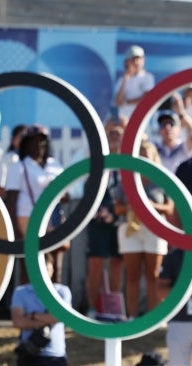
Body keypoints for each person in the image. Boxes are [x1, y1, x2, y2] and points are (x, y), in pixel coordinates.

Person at [115, 139, 171, 319]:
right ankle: (131, 316)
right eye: (140, 156)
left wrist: (148, 206)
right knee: (132, 275)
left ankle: (154, 317)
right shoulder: (126, 178)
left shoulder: (161, 179)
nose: (144, 160)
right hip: (130, 228)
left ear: (154, 157)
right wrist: (133, 207)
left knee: (153, 275)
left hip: (155, 230)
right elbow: (118, 207)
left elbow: (169, 208)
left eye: (147, 156)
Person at [5, 125, 66, 282]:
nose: (39, 146)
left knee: (54, 263)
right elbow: (11, 200)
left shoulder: (54, 165)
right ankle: (28, 304)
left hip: (53, 218)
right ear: (26, 144)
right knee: (29, 264)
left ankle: (53, 303)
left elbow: (66, 194)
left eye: (42, 142)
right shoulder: (19, 166)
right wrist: (15, 231)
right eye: (34, 142)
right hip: (28, 219)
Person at [85, 117, 125, 316]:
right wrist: (101, 210)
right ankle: (93, 306)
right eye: (111, 134)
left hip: (121, 220)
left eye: (119, 133)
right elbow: (89, 188)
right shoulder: (97, 160)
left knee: (118, 263)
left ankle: (114, 307)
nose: (115, 138)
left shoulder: (129, 161)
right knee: (96, 264)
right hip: (98, 221)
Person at [11, 254, 70, 366]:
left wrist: (32, 316)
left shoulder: (62, 291)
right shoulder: (21, 292)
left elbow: (61, 316)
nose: (42, 274)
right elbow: (18, 321)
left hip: (55, 355)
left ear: (52, 269)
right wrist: (48, 318)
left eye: (46, 269)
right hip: (29, 354)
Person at [114, 45, 154, 122]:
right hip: (124, 121)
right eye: (133, 59)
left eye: (138, 59)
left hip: (141, 121)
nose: (136, 62)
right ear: (127, 62)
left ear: (143, 60)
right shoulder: (122, 80)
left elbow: (147, 98)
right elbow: (118, 102)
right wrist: (125, 81)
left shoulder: (148, 77)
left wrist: (127, 102)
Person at [153, 110, 190, 174]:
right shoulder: (154, 147)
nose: (167, 127)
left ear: (179, 128)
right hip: (159, 183)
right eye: (163, 124)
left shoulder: (185, 146)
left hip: (181, 183)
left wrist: (182, 113)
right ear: (159, 130)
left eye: (172, 123)